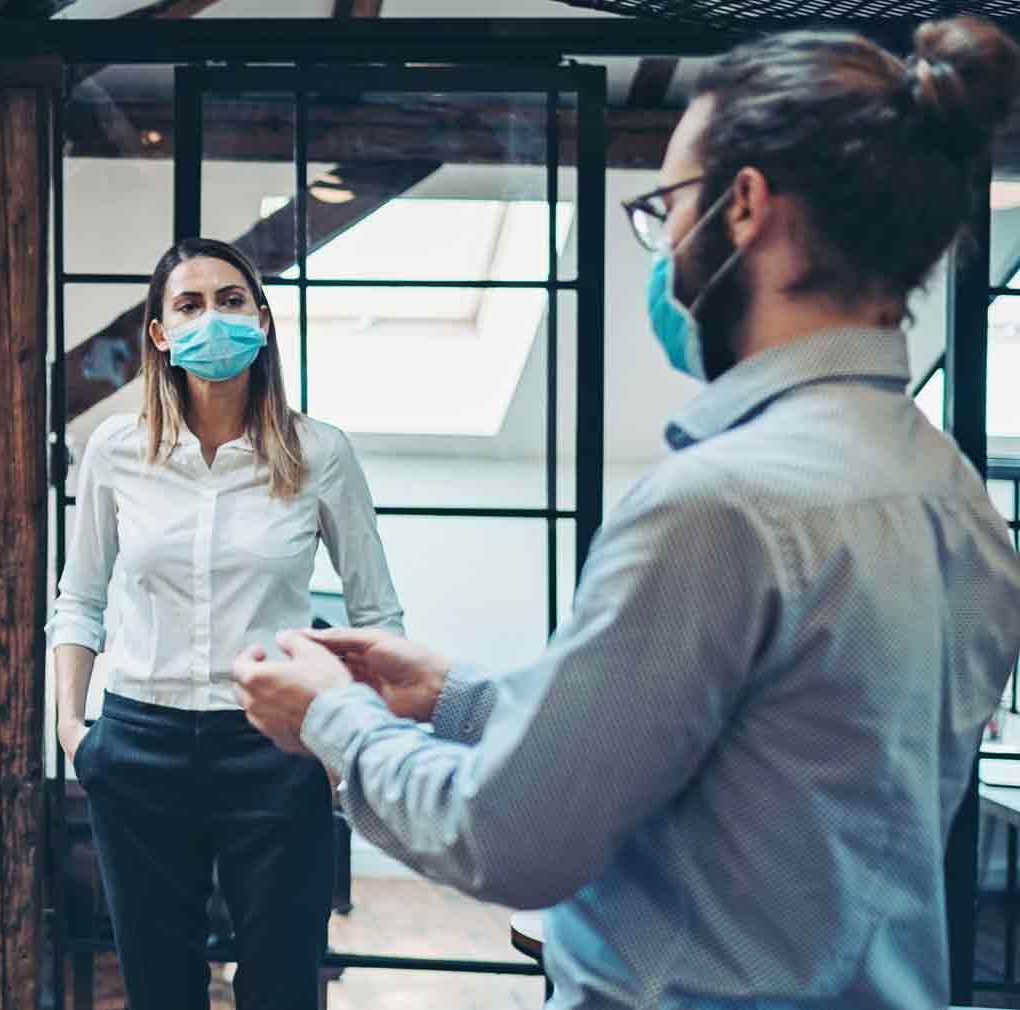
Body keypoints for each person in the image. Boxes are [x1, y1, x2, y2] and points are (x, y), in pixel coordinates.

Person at [233, 17, 1020, 1010]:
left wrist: (330, 719)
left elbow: (508, 837)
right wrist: (455, 690)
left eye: (665, 205)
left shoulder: (721, 505)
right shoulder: (959, 501)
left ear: (742, 207)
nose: (662, 242)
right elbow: (755, 766)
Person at [50, 237, 404, 1010]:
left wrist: (349, 752)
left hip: (276, 746)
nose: (214, 317)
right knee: (159, 987)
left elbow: (377, 615)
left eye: (231, 300)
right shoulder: (113, 453)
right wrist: (75, 733)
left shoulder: (322, 454)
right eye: (190, 304)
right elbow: (79, 599)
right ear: (160, 333)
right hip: (139, 742)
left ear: (264, 321)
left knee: (283, 984)